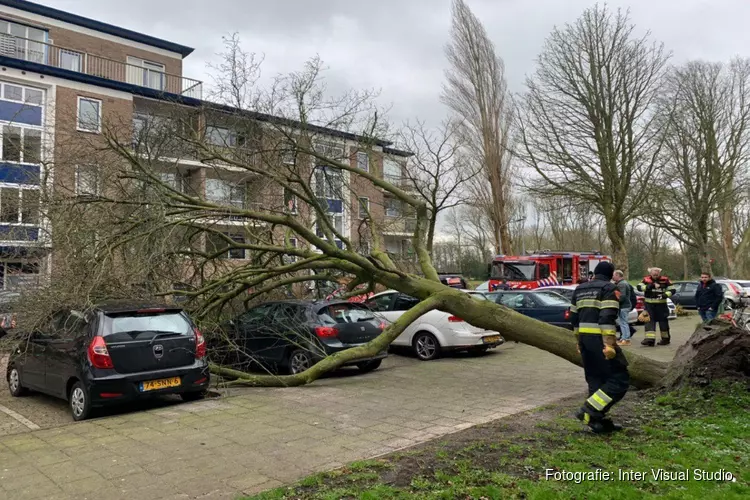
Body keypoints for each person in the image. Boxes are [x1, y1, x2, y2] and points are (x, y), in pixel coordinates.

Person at [569, 262, 629, 434]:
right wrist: (609, 344)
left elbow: (574, 319)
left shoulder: (580, 289)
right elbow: (606, 317)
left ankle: (596, 421)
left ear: (594, 273)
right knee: (620, 379)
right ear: (611, 275)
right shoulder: (609, 288)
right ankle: (589, 410)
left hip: (585, 341)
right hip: (600, 340)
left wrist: (578, 341)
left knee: (596, 379)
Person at [637, 267, 676, 346]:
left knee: (663, 322)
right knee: (649, 321)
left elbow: (673, 290)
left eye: (657, 273)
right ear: (650, 273)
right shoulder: (646, 280)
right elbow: (639, 287)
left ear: (659, 273)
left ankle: (665, 339)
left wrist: (665, 295)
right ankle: (649, 340)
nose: (655, 275)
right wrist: (649, 286)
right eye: (654, 273)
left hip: (661, 305)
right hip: (649, 305)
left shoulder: (665, 280)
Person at [612, 270, 633, 346]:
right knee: (623, 322)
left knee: (623, 323)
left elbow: (622, 296)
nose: (613, 277)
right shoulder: (622, 283)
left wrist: (615, 302)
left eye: (614, 275)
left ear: (618, 275)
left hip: (623, 306)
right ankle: (623, 338)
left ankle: (626, 339)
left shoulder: (622, 284)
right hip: (624, 306)